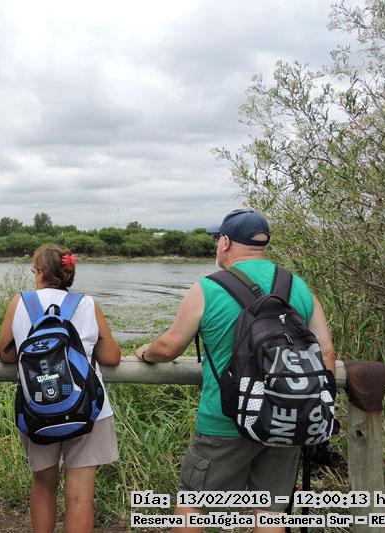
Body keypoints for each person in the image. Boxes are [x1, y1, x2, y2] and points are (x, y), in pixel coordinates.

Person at [135, 208, 336, 533]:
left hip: (224, 421)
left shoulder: (208, 288)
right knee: (271, 513)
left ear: (226, 242)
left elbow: (170, 348)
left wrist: (146, 352)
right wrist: (314, 408)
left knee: (193, 508)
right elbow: (326, 352)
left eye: (218, 239)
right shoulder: (297, 286)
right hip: (286, 421)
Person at [0, 244, 121, 533]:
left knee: (43, 485)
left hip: (37, 407)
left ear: (40, 272)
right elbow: (111, 357)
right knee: (80, 497)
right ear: (69, 273)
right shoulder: (87, 304)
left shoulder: (20, 302)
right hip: (89, 409)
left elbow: (5, 354)